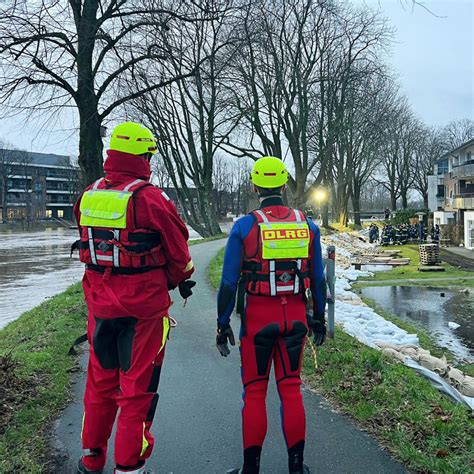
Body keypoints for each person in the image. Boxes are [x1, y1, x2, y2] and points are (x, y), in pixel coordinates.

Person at [73, 122, 195, 474]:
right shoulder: (150, 198)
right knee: (136, 390)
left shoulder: (88, 194)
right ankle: (129, 466)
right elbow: (180, 256)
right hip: (144, 312)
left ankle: (91, 460)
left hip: (100, 307)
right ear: (143, 155)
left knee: (99, 386)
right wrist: (172, 281)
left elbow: (89, 245)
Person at [215, 157, 327, 474]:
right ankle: (296, 468)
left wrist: (222, 325)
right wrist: (317, 317)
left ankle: (251, 470)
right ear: (283, 184)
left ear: (254, 186)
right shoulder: (307, 225)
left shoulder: (245, 226)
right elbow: (318, 279)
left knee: (254, 392)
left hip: (257, 320)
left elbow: (227, 283)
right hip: (294, 318)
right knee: (291, 389)